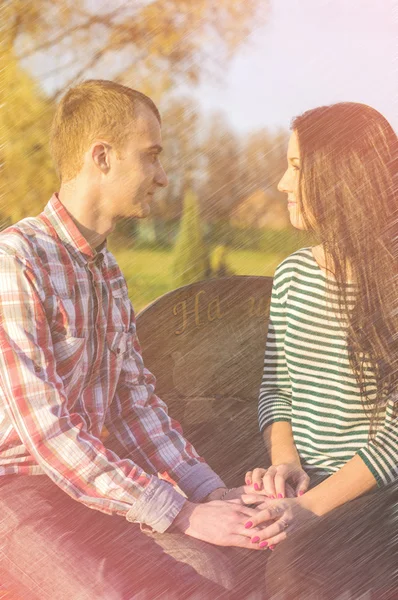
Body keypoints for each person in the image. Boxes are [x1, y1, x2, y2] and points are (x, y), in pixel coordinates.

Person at [0, 79, 267, 600]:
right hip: (17, 490)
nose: (162, 177)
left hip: (91, 490)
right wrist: (183, 513)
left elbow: (134, 404)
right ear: (101, 157)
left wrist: (211, 491)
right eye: (151, 157)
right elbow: (48, 435)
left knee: (216, 576)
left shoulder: (109, 273)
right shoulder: (17, 260)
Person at [242, 103, 398, 599]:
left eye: (296, 167)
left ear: (340, 178)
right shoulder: (293, 275)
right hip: (305, 486)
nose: (283, 184)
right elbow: (278, 387)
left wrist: (310, 510)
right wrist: (285, 465)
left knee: (304, 578)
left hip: (375, 494)